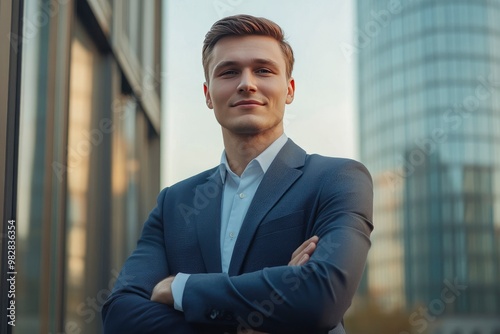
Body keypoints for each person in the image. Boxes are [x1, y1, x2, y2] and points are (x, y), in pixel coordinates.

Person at [102, 14, 373, 334]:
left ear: (289, 89)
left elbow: (321, 300)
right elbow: (120, 315)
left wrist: (181, 290)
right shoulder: (173, 203)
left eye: (263, 70)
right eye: (229, 72)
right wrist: (261, 315)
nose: (247, 83)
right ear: (207, 94)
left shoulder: (338, 179)